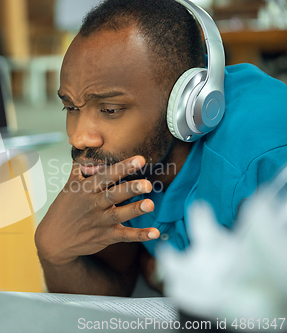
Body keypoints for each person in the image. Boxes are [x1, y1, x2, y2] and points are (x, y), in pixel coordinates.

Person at [34, 0, 287, 297]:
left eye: (111, 110)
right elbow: (113, 286)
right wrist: (54, 254)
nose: (79, 137)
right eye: (70, 107)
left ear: (191, 103)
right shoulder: (114, 160)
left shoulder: (267, 154)